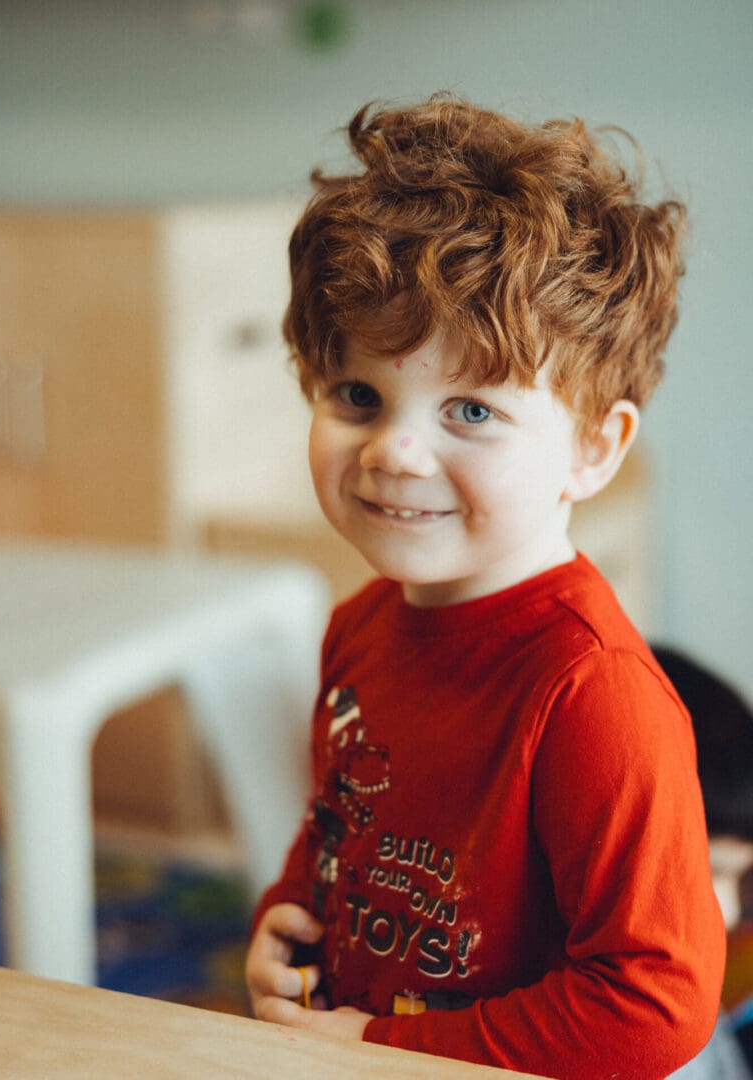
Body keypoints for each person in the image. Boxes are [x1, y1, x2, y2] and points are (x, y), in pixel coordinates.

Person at [244, 94, 725, 1078]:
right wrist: (285, 918)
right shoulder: (358, 628)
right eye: (357, 395)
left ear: (593, 448)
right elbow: (341, 825)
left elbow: (657, 1001)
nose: (396, 451)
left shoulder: (594, 699)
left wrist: (391, 1042)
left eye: (470, 408)